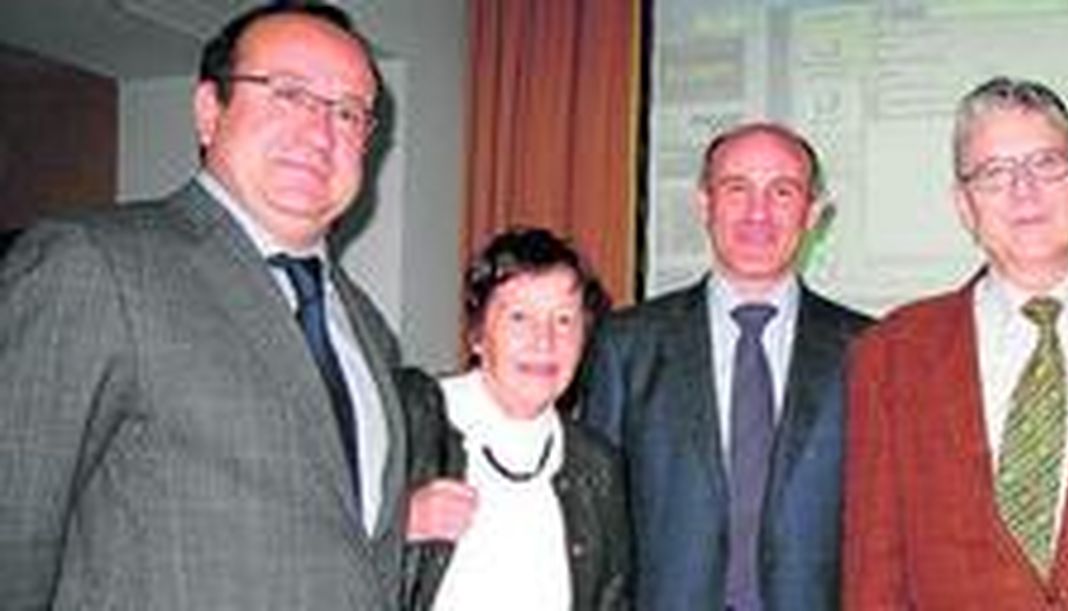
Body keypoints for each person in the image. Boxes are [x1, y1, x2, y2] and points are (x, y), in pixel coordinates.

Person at [0, 3, 406, 608]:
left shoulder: (368, 325)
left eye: (348, 112)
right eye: (288, 93)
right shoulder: (92, 265)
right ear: (208, 112)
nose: (319, 132)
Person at [843, 76, 1068, 609]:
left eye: (1047, 164)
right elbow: (873, 574)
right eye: (994, 173)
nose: (1025, 191)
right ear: (964, 204)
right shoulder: (892, 354)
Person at [582, 121, 873, 610]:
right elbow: (593, 521)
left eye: (782, 191)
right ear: (704, 204)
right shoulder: (626, 345)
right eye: (736, 189)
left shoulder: (869, 351)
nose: (757, 213)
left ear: (813, 212)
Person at [398, 228, 629, 610]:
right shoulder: (410, 420)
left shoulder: (597, 466)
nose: (544, 340)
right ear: (476, 333)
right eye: (520, 317)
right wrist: (400, 523)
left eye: (564, 320)